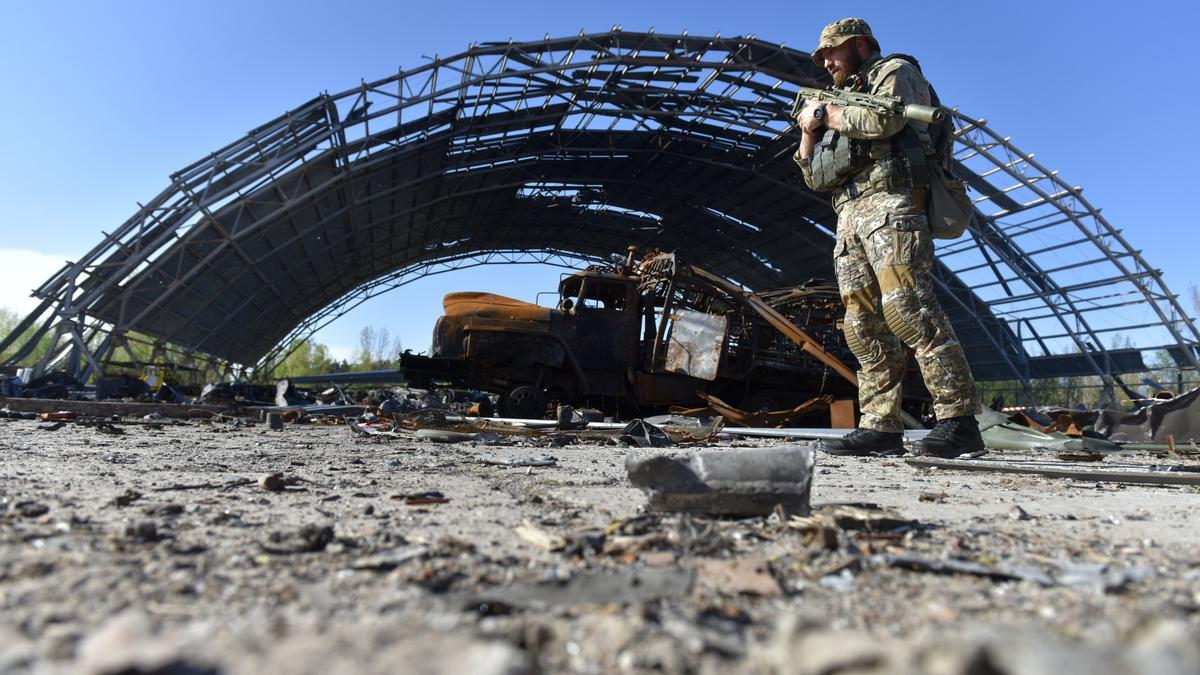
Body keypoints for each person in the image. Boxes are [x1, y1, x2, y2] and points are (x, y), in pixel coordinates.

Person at [793, 17, 983, 458]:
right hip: (850, 218)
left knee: (909, 310)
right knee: (862, 326)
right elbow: (816, 180)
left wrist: (830, 114)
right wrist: (809, 131)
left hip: (892, 205)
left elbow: (885, 123)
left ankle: (959, 420)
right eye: (821, 56)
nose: (826, 61)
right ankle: (880, 425)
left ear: (860, 45)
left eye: (832, 51)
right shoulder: (837, 100)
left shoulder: (894, 73)